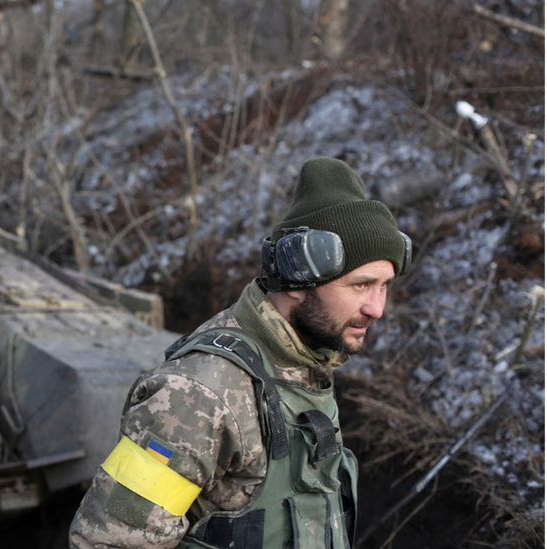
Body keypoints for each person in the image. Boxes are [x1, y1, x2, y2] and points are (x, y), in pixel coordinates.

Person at [69, 157, 412, 549]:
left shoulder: (304, 363)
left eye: (384, 286)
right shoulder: (195, 394)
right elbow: (109, 543)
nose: (377, 308)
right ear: (298, 279)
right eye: (361, 286)